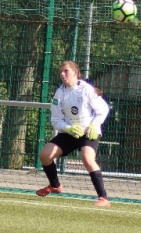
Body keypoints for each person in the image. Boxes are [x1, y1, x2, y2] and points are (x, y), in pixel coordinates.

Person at [36, 60, 112, 207]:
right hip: (70, 133)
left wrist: (94, 125)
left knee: (87, 158)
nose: (63, 74)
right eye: (61, 72)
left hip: (88, 132)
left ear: (75, 72)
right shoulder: (59, 93)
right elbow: (56, 120)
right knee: (45, 155)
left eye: (66, 71)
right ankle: (55, 186)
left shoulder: (86, 89)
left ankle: (103, 198)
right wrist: (68, 128)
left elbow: (103, 109)